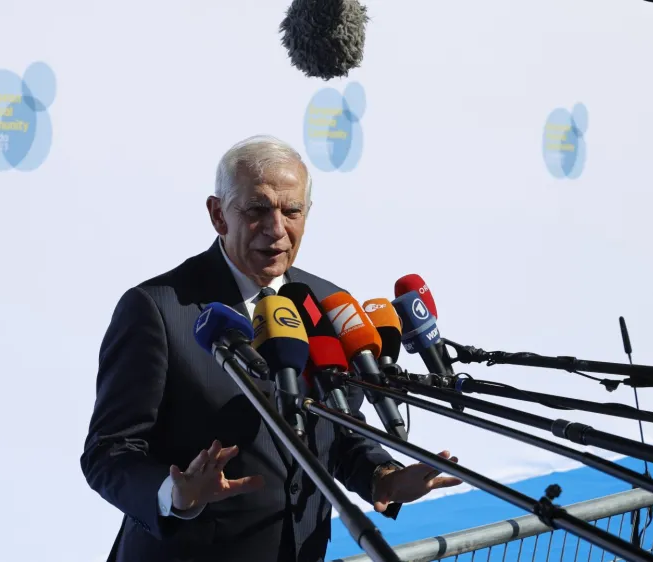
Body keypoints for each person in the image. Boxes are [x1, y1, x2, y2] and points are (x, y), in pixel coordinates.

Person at [80, 135, 461, 562]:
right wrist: (176, 493)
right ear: (218, 214)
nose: (277, 229)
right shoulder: (158, 309)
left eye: (291, 210)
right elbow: (108, 452)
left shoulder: (328, 305)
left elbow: (339, 432)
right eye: (257, 209)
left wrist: (384, 478)